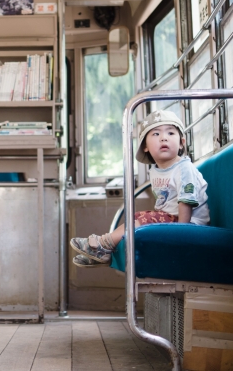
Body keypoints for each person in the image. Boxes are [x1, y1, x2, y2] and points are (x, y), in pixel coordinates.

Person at [71, 110, 210, 268]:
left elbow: (186, 202)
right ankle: (105, 252)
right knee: (135, 217)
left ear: (181, 143)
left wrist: (181, 233)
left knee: (143, 221)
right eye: (156, 134)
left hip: (189, 224)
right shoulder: (156, 170)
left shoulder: (184, 168)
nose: (164, 137)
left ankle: (102, 243)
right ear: (145, 146)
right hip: (171, 219)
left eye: (171, 133)